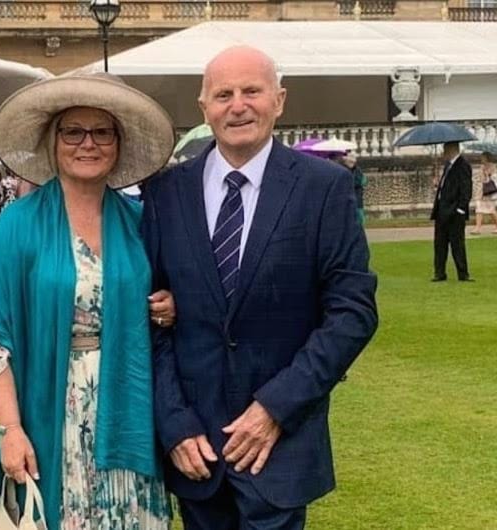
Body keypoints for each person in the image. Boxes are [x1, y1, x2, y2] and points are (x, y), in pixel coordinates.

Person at [142, 46, 378, 530]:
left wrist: (276, 407)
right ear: (203, 107)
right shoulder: (166, 192)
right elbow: (149, 317)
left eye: (252, 91)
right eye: (223, 94)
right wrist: (174, 424)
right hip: (196, 452)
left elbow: (352, 312)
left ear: (280, 100)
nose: (238, 105)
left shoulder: (323, 188)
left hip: (280, 444)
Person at [0, 72, 176, 530]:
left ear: (118, 144)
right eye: (73, 131)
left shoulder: (140, 223)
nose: (88, 143)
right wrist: (10, 430)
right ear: (53, 141)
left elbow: (167, 296)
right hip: (52, 408)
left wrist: (168, 306)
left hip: (130, 408)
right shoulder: (19, 224)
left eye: (102, 131)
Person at [430, 141, 473, 281]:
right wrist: (438, 184)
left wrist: (461, 209)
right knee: (440, 243)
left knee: (457, 244)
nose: (443, 153)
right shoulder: (448, 166)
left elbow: (466, 189)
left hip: (454, 211)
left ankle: (463, 273)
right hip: (442, 210)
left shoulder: (463, 165)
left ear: (451, 150)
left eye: (445, 150)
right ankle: (440, 273)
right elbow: (446, 186)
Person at [470, 151, 497, 235]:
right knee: (479, 209)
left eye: (483, 158)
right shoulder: (482, 167)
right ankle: (477, 228)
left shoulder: (493, 167)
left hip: (489, 193)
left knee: (491, 211)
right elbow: (479, 178)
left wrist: (487, 174)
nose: (481, 159)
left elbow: (493, 178)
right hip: (481, 192)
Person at [340, 151, 368, 225]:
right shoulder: (343, 170)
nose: (351, 163)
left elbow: (363, 181)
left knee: (359, 219)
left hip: (357, 199)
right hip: (347, 199)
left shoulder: (357, 170)